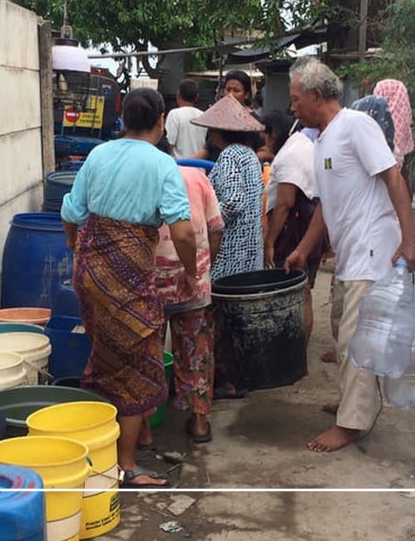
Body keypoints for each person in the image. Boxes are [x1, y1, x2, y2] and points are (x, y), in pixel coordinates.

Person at [283, 57, 415, 453]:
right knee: (344, 337)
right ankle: (352, 403)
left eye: (296, 99)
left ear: (316, 95)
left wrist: (409, 240)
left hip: (373, 249)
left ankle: (353, 423)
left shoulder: (356, 125)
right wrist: (302, 249)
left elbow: (392, 177)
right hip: (349, 255)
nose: (291, 107)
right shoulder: (323, 139)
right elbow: (327, 206)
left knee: (355, 340)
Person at [61, 88, 199, 488]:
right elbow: (185, 232)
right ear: (160, 122)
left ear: (121, 120)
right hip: (129, 277)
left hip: (91, 273)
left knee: (109, 353)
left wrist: (73, 244)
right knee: (138, 361)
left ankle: (131, 438)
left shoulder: (99, 155)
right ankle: (126, 465)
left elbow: (72, 210)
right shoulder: (161, 164)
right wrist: (191, 272)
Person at [191, 94, 265, 399]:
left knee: (221, 319)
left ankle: (229, 381)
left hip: (231, 252)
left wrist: (205, 216)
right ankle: (242, 377)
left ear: (218, 133)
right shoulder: (249, 155)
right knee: (240, 319)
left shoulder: (230, 156)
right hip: (249, 251)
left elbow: (232, 202)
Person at [153, 166, 225, 443]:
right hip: (191, 281)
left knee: (148, 354)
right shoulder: (197, 177)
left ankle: (145, 426)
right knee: (196, 351)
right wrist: (202, 269)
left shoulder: (144, 173)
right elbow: (216, 228)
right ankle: (199, 423)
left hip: (151, 284)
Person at [261, 110, 321, 350]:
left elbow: (285, 203)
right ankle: (296, 350)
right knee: (302, 291)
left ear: (272, 134)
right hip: (307, 229)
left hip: (294, 232)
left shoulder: (291, 154)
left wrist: (270, 241)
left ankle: (293, 351)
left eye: (263, 136)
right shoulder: (303, 145)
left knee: (296, 291)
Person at [165, 79, 207, 159]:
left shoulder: (174, 114)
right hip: (199, 166)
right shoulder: (203, 116)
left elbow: (170, 144)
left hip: (179, 166)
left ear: (178, 94)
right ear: (197, 97)